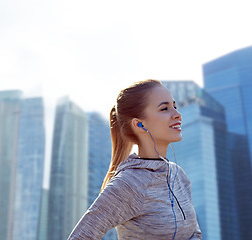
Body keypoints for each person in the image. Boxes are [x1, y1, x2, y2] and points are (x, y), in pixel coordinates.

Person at [68, 79, 202, 239]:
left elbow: (194, 233)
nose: (177, 114)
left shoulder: (178, 175)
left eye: (175, 106)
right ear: (139, 124)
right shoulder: (130, 182)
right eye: (165, 108)